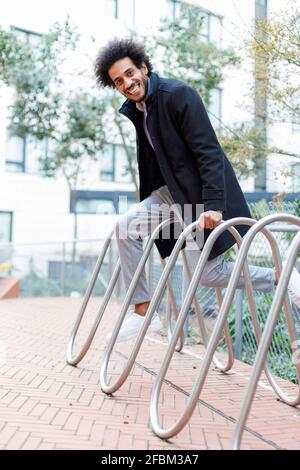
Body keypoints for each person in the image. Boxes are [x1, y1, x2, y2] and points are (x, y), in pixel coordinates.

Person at [94, 38, 300, 342]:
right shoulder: (139, 109)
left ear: (144, 67)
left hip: (196, 199)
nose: (127, 82)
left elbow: (209, 152)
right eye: (118, 81)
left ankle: (279, 277)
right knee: (125, 227)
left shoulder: (178, 95)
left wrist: (214, 204)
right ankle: (142, 313)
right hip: (170, 197)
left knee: (207, 274)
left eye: (129, 73)